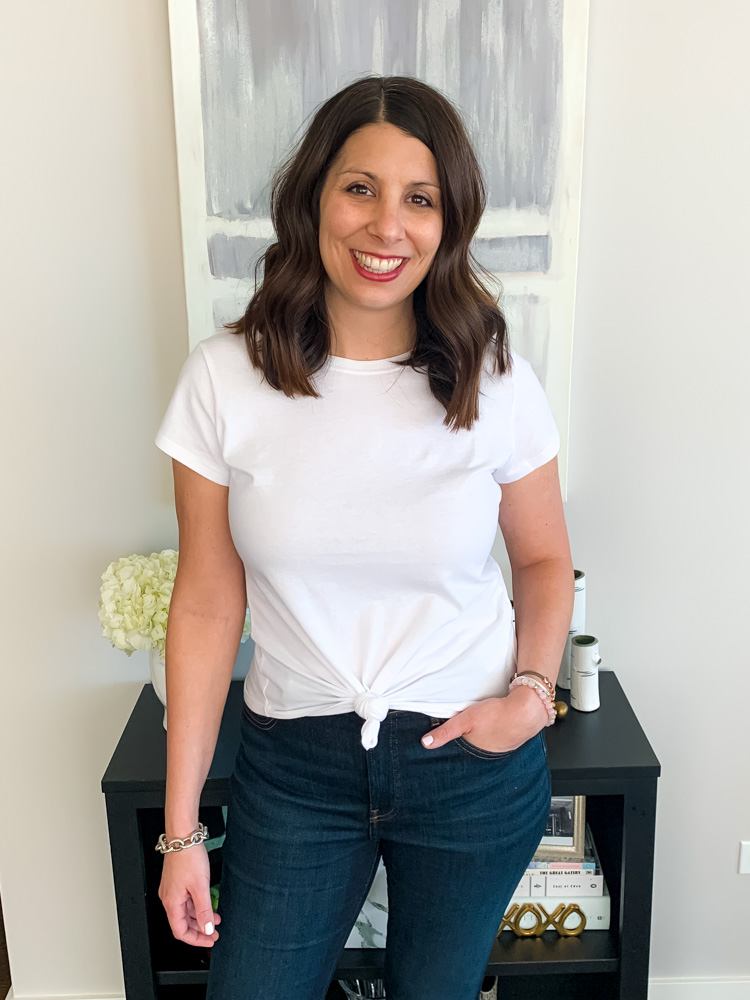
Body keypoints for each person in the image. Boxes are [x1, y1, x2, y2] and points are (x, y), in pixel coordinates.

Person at [154, 75, 574, 1000]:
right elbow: (207, 598)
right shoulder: (226, 377)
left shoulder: (494, 376)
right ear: (314, 197)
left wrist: (533, 698)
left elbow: (543, 560)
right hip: (296, 768)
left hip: (470, 760)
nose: (388, 226)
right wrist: (182, 830)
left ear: (447, 219)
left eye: (419, 198)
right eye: (360, 188)